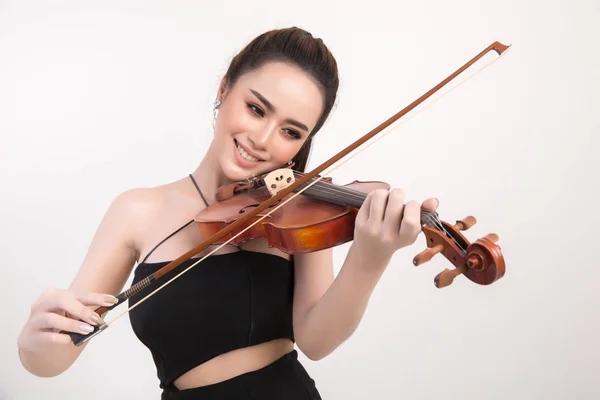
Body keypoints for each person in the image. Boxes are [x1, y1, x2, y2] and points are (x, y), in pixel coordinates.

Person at [17, 27, 438, 399]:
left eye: (291, 131)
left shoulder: (301, 212)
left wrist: (369, 258)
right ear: (223, 90)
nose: (262, 140)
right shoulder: (137, 211)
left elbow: (317, 341)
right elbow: (53, 360)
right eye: (256, 109)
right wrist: (38, 342)